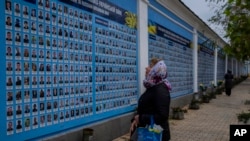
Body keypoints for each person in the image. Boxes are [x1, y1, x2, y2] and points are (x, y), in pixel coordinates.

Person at [130, 58, 172, 141]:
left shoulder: (160, 90)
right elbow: (148, 108)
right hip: (148, 132)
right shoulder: (153, 86)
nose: (146, 68)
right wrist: (135, 120)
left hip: (156, 135)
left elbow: (162, 116)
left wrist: (141, 118)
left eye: (150, 66)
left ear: (156, 71)